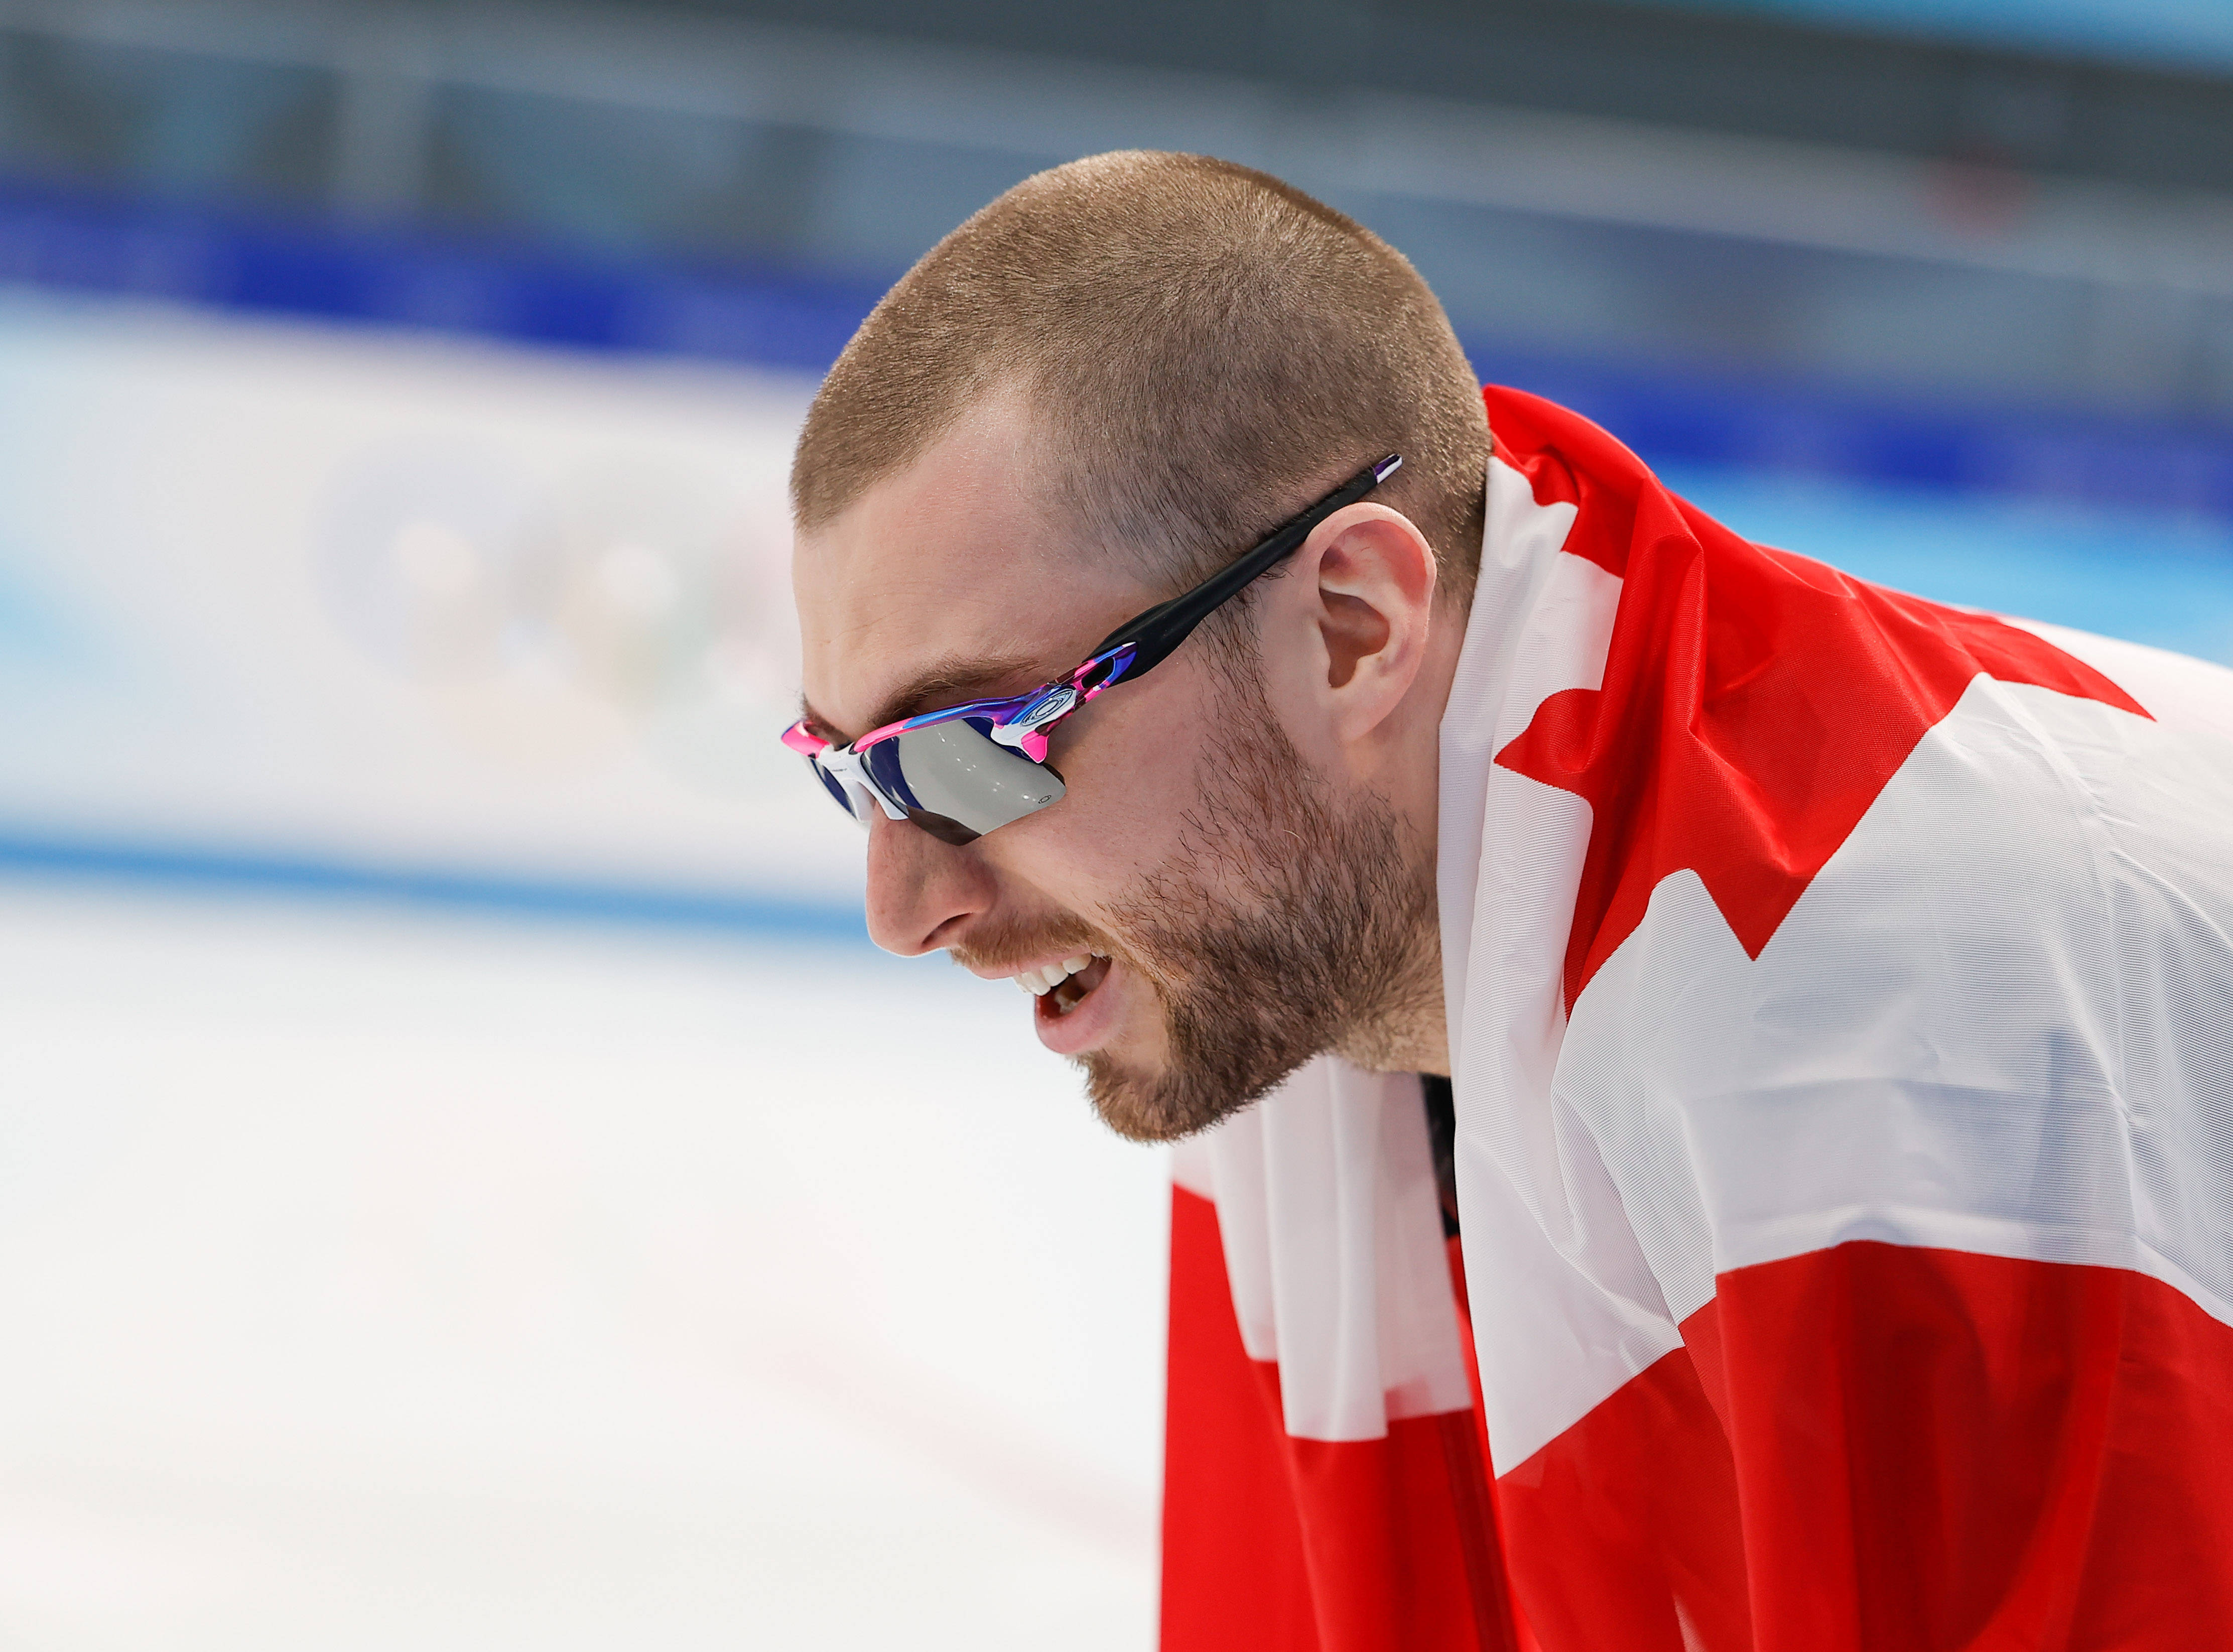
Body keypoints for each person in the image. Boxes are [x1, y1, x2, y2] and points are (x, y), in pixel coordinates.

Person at [783, 151, 2233, 1651]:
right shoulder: (1303, 969)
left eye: (967, 751)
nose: (901, 905)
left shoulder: (1871, 1014)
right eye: (854, 773)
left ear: (1351, 629)